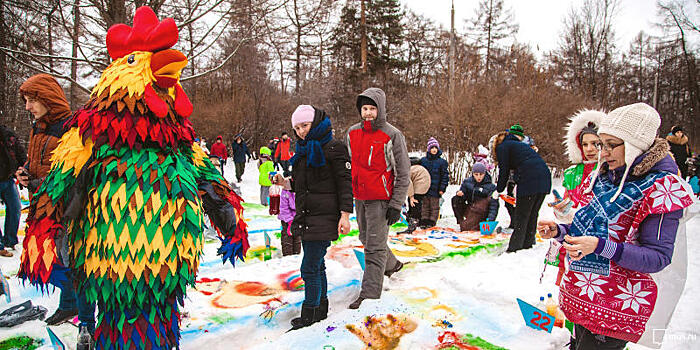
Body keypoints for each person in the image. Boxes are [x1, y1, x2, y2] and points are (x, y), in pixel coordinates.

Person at [538, 102, 696, 350]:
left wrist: (601, 247)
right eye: (602, 144)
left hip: (616, 307)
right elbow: (591, 230)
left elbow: (657, 257)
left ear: (636, 145)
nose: (604, 152)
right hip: (584, 296)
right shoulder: (605, 176)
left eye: (612, 145)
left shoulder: (661, 188)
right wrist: (561, 232)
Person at [15, 74, 96, 334]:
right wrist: (26, 171)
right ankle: (70, 303)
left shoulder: (68, 128)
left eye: (32, 100)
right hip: (43, 206)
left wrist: (39, 182)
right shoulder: (38, 127)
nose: (28, 107)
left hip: (67, 208)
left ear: (47, 99)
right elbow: (40, 160)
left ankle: (86, 321)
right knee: (53, 261)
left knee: (73, 262)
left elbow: (74, 171)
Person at [287, 105, 352, 329]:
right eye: (297, 128)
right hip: (307, 216)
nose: (301, 132)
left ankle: (310, 314)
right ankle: (321, 307)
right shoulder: (303, 151)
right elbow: (300, 185)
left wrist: (345, 215)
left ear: (314, 123)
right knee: (317, 265)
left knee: (309, 268)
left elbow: (345, 184)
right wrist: (284, 183)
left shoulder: (335, 148)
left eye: (304, 125)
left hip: (325, 216)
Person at [346, 87, 410, 309]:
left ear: (380, 110)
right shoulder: (352, 133)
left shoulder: (392, 135)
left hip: (381, 200)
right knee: (366, 238)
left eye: (372, 108)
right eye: (365, 108)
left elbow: (403, 172)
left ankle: (370, 294)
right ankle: (392, 265)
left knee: (374, 247)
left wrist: (396, 204)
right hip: (360, 197)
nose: (368, 113)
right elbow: (350, 166)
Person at [492, 124, 551, 253]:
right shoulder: (519, 146)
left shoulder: (503, 147)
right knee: (532, 214)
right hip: (544, 177)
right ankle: (527, 244)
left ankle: (514, 248)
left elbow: (504, 170)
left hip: (530, 179)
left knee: (522, 215)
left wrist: (499, 189)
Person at [554, 110, 603, 221]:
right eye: (584, 144)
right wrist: (561, 209)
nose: (589, 149)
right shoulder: (571, 173)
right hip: (570, 234)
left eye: (595, 143)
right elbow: (566, 217)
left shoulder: (610, 171)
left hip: (597, 236)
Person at [0, 124, 26, 257]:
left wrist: (23, 167)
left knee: (15, 208)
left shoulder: (8, 134)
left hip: (8, 178)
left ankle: (10, 240)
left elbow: (20, 152)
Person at [451, 162, 498, 231]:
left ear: (485, 174)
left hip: (482, 211)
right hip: (470, 209)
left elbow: (494, 206)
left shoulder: (491, 187)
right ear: (473, 174)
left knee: (469, 229)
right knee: (456, 199)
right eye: (476, 174)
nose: (479, 177)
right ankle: (461, 222)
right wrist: (460, 194)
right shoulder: (467, 182)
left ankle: (474, 223)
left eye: (481, 174)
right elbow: (462, 197)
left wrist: (490, 220)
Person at [419, 137, 449, 228]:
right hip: (425, 188)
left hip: (436, 188)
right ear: (428, 149)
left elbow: (445, 176)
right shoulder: (423, 161)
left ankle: (432, 221)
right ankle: (424, 220)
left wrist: (442, 188)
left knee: (434, 206)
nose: (434, 150)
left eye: (436, 148)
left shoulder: (442, 162)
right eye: (432, 148)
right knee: (425, 205)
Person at [400, 157, 430, 234]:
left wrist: (411, 196)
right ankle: (416, 221)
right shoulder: (420, 168)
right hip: (425, 186)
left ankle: (412, 226)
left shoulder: (409, 170)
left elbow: (408, 183)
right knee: (417, 204)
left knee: (413, 205)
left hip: (419, 186)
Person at [273, 173, 300, 256]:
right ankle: (287, 255)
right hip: (286, 219)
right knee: (287, 237)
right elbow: (283, 208)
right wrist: (289, 220)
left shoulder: (301, 190)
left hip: (298, 217)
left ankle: (296, 254)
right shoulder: (285, 192)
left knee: (297, 237)